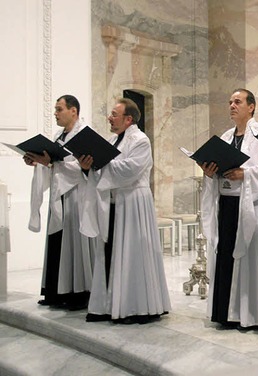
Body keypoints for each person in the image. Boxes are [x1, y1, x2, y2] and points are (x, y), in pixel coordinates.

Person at [79, 98, 171, 324]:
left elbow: (131, 169)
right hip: (114, 201)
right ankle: (108, 305)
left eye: (114, 114)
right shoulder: (112, 139)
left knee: (132, 253)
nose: (109, 118)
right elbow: (107, 168)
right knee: (111, 252)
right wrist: (88, 166)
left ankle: (135, 306)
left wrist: (99, 164)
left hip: (133, 201)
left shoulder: (140, 140)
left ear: (128, 118)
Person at [199, 88, 258, 329]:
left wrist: (246, 174)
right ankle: (225, 313)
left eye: (238, 102)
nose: (232, 106)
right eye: (230, 102)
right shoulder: (226, 137)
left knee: (248, 259)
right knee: (225, 255)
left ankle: (250, 314)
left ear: (252, 107)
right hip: (226, 202)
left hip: (251, 205)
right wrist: (210, 173)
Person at [24, 95, 95, 310]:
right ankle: (55, 291)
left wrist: (52, 163)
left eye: (59, 109)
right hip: (59, 195)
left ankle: (78, 293)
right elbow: (55, 163)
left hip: (76, 196)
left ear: (73, 111)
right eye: (55, 109)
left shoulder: (84, 135)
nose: (55, 113)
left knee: (74, 245)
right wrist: (38, 161)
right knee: (57, 241)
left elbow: (83, 168)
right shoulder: (58, 136)